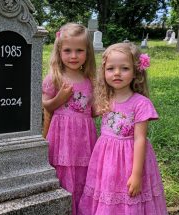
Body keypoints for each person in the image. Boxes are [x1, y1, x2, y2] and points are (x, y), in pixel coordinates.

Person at [78, 43, 168, 215]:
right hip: (106, 159)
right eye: (111, 68)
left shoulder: (140, 103)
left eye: (124, 68)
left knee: (129, 196)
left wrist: (136, 175)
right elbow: (86, 113)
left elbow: (140, 139)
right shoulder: (105, 99)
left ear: (136, 72)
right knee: (108, 192)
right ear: (103, 72)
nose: (117, 73)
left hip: (130, 159)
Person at [42, 23, 97, 215]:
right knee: (63, 173)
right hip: (62, 137)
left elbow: (93, 110)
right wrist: (60, 98)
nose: (73, 56)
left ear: (87, 52)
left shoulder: (90, 80)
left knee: (82, 173)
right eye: (68, 50)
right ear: (59, 51)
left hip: (84, 138)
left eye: (79, 50)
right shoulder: (54, 78)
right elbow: (47, 106)